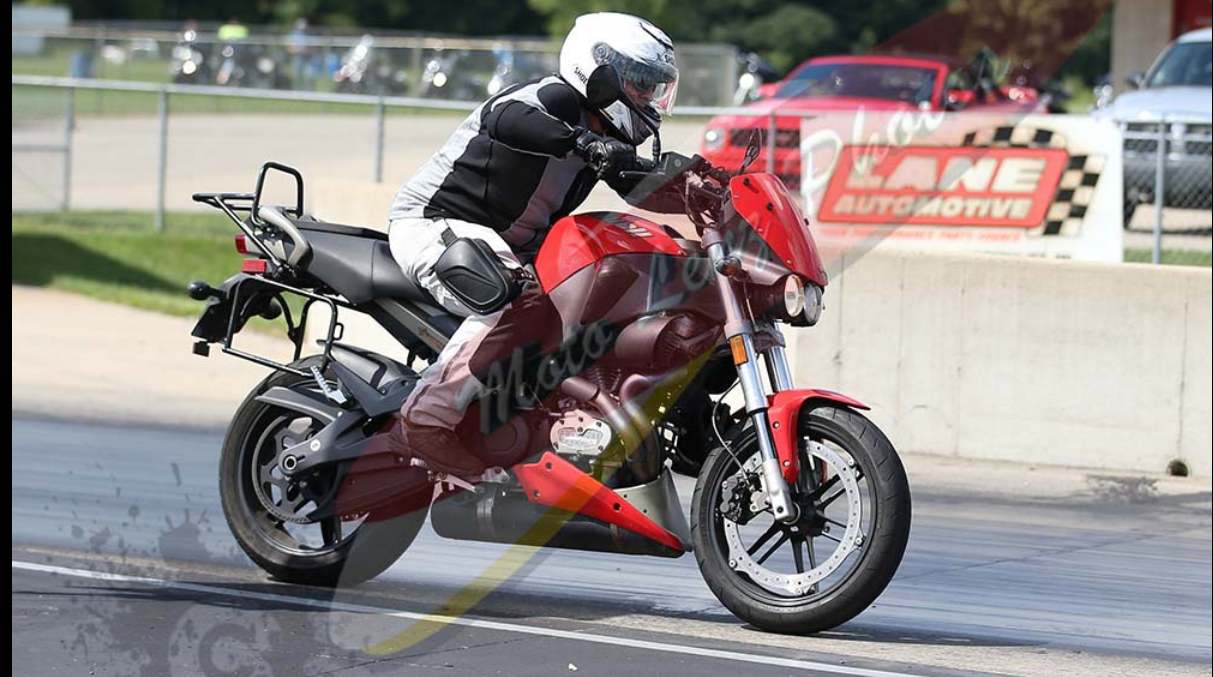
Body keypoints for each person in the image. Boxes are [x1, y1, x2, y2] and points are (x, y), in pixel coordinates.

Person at [385, 12, 680, 475]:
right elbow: (504, 118)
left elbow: (642, 187)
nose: (647, 96)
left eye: (654, 86)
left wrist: (709, 189)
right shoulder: (551, 98)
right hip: (435, 223)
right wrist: (582, 143)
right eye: (640, 82)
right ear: (599, 69)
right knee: (517, 298)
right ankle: (426, 418)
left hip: (510, 247)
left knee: (600, 298)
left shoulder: (605, 133)